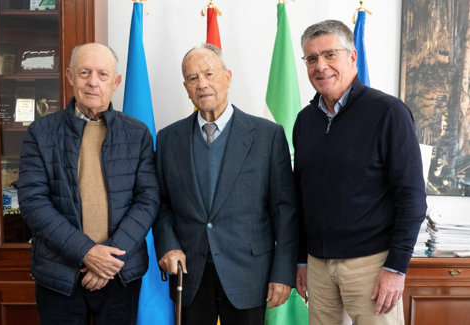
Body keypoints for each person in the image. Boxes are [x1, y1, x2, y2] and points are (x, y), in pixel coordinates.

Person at [293, 20, 427, 325]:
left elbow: (412, 197)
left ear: (352, 57)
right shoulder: (305, 121)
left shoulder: (389, 113)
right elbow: (300, 198)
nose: (320, 66)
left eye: (329, 54)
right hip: (317, 266)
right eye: (311, 58)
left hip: (372, 265)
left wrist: (395, 268)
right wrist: (301, 259)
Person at [153, 43, 298, 325]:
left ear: (228, 77)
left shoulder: (267, 136)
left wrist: (283, 274)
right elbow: (160, 204)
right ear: (185, 86)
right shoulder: (169, 138)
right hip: (190, 275)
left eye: (209, 73)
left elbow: (285, 211)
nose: (202, 84)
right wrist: (168, 246)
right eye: (193, 78)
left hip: (250, 274)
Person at [17, 43, 160, 325]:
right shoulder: (40, 133)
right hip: (59, 275)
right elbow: (34, 203)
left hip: (119, 273)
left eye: (103, 74)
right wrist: (86, 253)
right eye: (85, 72)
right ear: (70, 76)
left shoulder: (138, 133)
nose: (93, 82)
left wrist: (107, 262)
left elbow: (148, 199)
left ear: (116, 82)